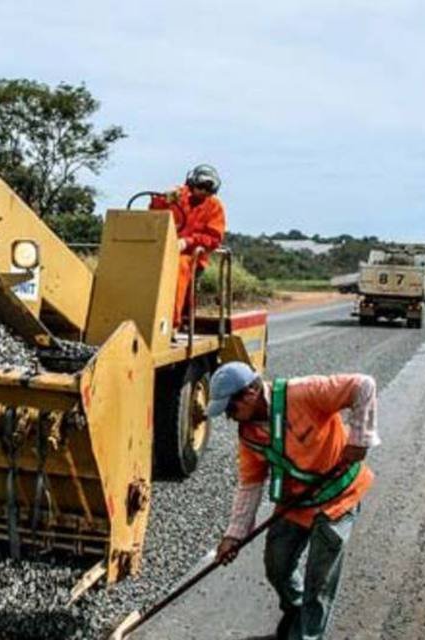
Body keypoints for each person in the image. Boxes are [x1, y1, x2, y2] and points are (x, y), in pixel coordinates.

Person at [208, 362, 379, 640]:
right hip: (297, 502)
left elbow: (364, 385)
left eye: (230, 408)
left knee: (319, 581)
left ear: (250, 392)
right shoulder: (249, 435)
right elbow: (250, 484)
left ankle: (307, 634)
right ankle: (297, 612)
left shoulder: (302, 393)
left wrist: (361, 438)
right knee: (277, 564)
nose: (229, 416)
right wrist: (234, 536)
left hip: (338, 494)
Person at [150, 165, 226, 329]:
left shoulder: (214, 207)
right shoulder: (178, 196)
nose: (203, 192)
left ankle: (173, 323)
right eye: (200, 187)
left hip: (192, 255)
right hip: (162, 250)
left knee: (179, 267)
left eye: (208, 189)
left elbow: (214, 238)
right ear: (192, 183)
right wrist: (163, 199)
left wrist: (188, 242)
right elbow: (154, 213)